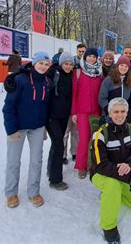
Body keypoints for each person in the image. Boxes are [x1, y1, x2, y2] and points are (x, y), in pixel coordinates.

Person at [89, 98, 131, 244]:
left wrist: (129, 166)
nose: (119, 115)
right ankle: (108, 227)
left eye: (123, 111)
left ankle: (114, 195)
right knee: (112, 185)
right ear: (110, 114)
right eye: (116, 112)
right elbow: (100, 165)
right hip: (101, 173)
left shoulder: (130, 128)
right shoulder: (100, 134)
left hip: (123, 172)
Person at [2, 52, 52, 208]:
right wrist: (11, 130)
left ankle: (33, 191)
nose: (43, 67)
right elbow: (8, 107)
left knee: (36, 160)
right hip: (18, 127)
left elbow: (46, 106)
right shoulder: (20, 80)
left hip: (37, 127)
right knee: (13, 161)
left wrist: (44, 126)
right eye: (41, 63)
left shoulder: (47, 82)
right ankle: (11, 193)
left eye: (46, 64)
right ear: (34, 63)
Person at [71, 47, 104, 179]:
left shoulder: (100, 74)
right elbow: (74, 94)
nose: (91, 58)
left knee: (95, 139)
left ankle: (92, 164)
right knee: (84, 140)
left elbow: (102, 93)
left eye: (94, 56)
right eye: (89, 56)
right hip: (82, 112)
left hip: (96, 111)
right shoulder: (78, 72)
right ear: (85, 57)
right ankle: (81, 166)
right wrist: (74, 112)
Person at [46, 52, 74, 191]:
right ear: (61, 63)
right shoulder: (53, 73)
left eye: (70, 64)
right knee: (58, 145)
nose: (68, 66)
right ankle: (55, 179)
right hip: (52, 116)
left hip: (64, 116)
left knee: (56, 144)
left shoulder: (71, 75)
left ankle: (50, 169)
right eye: (66, 64)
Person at [99, 56, 131, 124]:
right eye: (121, 65)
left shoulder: (129, 81)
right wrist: (110, 111)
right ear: (117, 66)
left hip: (125, 117)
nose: (123, 68)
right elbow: (102, 98)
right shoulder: (109, 80)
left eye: (126, 66)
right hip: (110, 116)